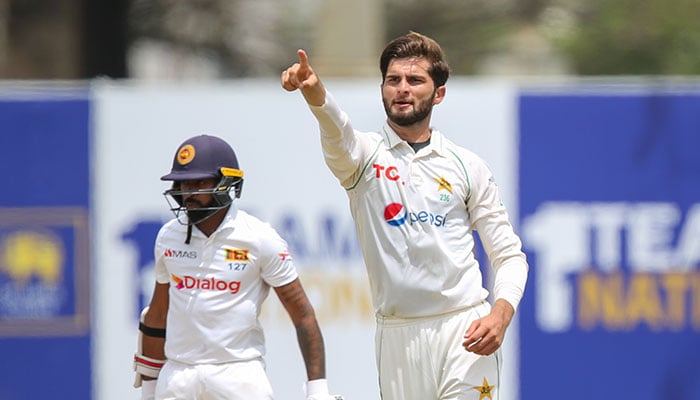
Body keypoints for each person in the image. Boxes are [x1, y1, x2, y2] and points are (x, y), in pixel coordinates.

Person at [281, 31, 528, 399]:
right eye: (393, 80)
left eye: (415, 80)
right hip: (397, 334)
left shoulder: (466, 165)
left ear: (438, 93)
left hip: (464, 327)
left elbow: (509, 255)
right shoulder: (363, 157)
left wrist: (500, 315)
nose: (402, 89)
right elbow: (337, 131)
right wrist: (314, 93)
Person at [133, 134, 342, 400]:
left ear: (226, 183)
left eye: (200, 183)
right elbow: (157, 315)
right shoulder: (168, 236)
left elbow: (303, 315)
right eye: (185, 183)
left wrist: (318, 390)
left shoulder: (259, 238)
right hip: (178, 375)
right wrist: (150, 388)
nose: (190, 193)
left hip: (238, 375)